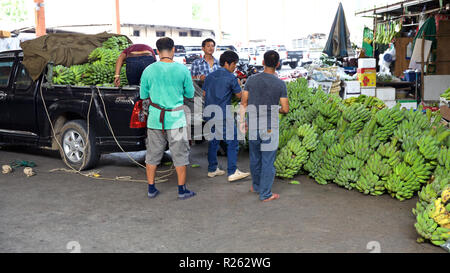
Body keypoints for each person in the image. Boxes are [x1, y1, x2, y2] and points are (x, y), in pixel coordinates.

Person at [140, 37, 196, 200]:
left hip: (155, 120)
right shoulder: (182, 70)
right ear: (173, 50)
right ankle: (182, 190)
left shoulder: (148, 70)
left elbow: (144, 95)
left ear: (157, 51)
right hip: (177, 119)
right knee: (180, 156)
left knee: (152, 155)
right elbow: (190, 94)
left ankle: (151, 189)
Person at [239, 50, 289, 202]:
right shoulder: (280, 84)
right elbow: (285, 109)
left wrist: (242, 122)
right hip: (269, 126)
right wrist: (275, 109)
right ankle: (266, 194)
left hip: (253, 123)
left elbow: (244, 103)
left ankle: (256, 186)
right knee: (267, 160)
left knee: (255, 157)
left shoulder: (251, 80)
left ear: (262, 62)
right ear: (278, 64)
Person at [202, 50, 250, 182]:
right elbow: (239, 96)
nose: (235, 67)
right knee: (233, 142)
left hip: (209, 113)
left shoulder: (210, 76)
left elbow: (205, 94)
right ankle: (233, 171)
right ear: (228, 63)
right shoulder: (231, 77)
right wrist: (240, 86)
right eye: (234, 64)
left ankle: (212, 169)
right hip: (222, 114)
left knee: (214, 141)